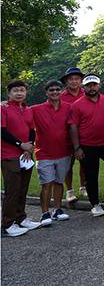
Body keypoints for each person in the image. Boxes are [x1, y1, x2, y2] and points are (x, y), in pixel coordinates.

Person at [68, 74, 104, 215]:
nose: (92, 88)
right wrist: (77, 148)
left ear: (99, 85)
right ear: (83, 87)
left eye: (94, 85)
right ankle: (95, 204)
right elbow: (73, 127)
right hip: (87, 145)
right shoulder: (77, 105)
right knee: (91, 175)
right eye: (88, 86)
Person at [1, 80, 41, 236]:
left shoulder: (27, 109)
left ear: (26, 92)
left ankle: (20, 218)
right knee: (13, 190)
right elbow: (2, 131)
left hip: (25, 154)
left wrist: (29, 147)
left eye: (22, 90)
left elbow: (32, 130)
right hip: (9, 155)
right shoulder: (3, 108)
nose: (19, 93)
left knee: (23, 188)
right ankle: (7, 224)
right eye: (15, 90)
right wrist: (20, 144)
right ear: (9, 93)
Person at [31, 80, 73, 225]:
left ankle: (57, 209)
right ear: (46, 93)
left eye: (57, 89)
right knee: (47, 184)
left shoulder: (68, 107)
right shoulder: (36, 109)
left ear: (62, 91)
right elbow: (20, 112)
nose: (55, 92)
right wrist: (4, 103)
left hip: (64, 152)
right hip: (44, 153)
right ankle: (45, 213)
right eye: (51, 90)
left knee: (59, 182)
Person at [59, 66, 85, 202]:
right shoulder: (61, 96)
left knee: (85, 163)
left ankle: (83, 187)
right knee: (68, 164)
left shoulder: (86, 93)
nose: (74, 81)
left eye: (77, 79)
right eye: (71, 79)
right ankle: (69, 191)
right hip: (66, 135)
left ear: (81, 80)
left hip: (84, 134)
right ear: (66, 81)